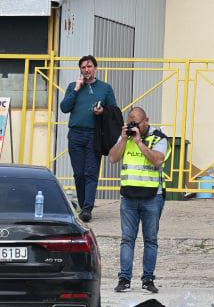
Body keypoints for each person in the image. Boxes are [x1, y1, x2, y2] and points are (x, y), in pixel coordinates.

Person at [108, 105, 168, 294]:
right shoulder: (125, 137)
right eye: (131, 122)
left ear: (146, 121)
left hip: (152, 197)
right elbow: (112, 158)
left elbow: (158, 160)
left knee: (150, 240)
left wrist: (140, 142)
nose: (134, 125)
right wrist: (125, 139)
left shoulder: (159, 137)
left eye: (137, 122)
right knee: (127, 239)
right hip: (129, 197)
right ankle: (124, 278)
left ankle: (148, 279)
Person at [59, 55, 117, 222]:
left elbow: (114, 112)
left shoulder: (105, 88)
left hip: (94, 135)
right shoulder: (73, 86)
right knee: (79, 174)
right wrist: (76, 89)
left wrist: (102, 111)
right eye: (83, 67)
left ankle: (87, 208)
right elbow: (64, 107)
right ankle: (84, 205)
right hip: (76, 134)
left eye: (89, 66)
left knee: (90, 172)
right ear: (80, 70)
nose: (86, 70)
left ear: (95, 68)